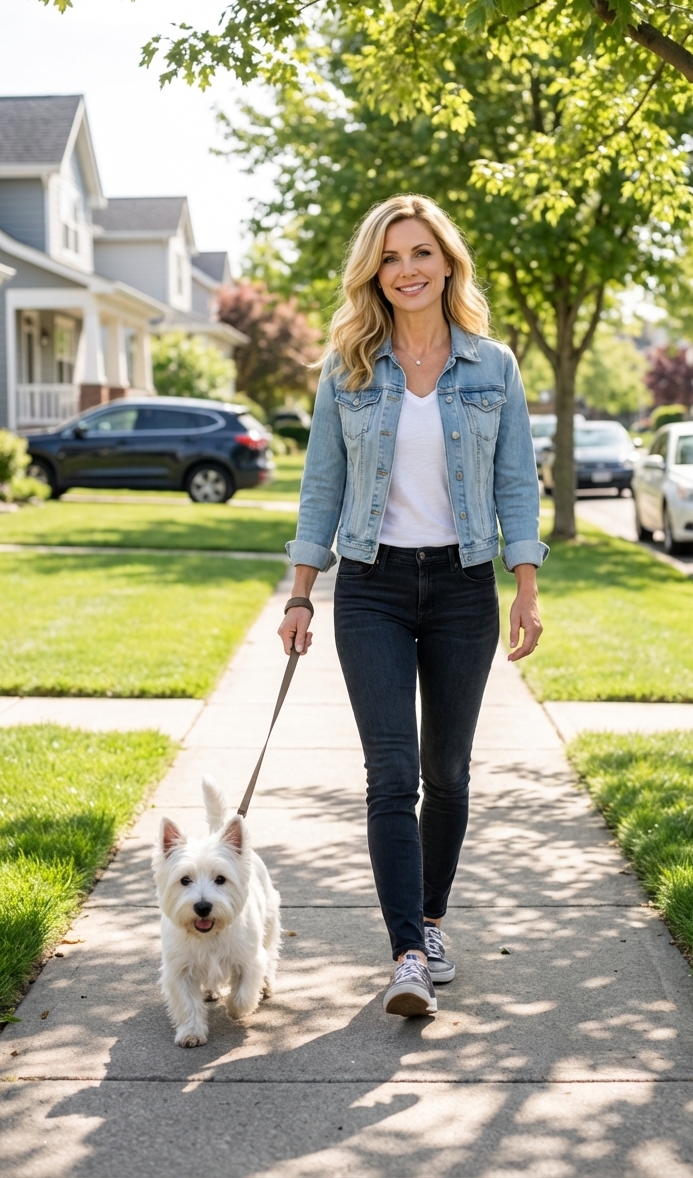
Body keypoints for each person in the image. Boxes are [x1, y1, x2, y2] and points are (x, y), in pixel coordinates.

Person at [278, 194, 547, 1017]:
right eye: (391, 257)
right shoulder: (348, 365)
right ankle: (404, 954)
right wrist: (299, 593)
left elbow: (514, 482)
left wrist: (524, 584)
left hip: (464, 586)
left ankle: (430, 921)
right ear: (375, 272)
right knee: (391, 774)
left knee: (447, 773)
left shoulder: (491, 367)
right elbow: (321, 485)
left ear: (447, 263)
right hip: (372, 587)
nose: (407, 270)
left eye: (421, 253)